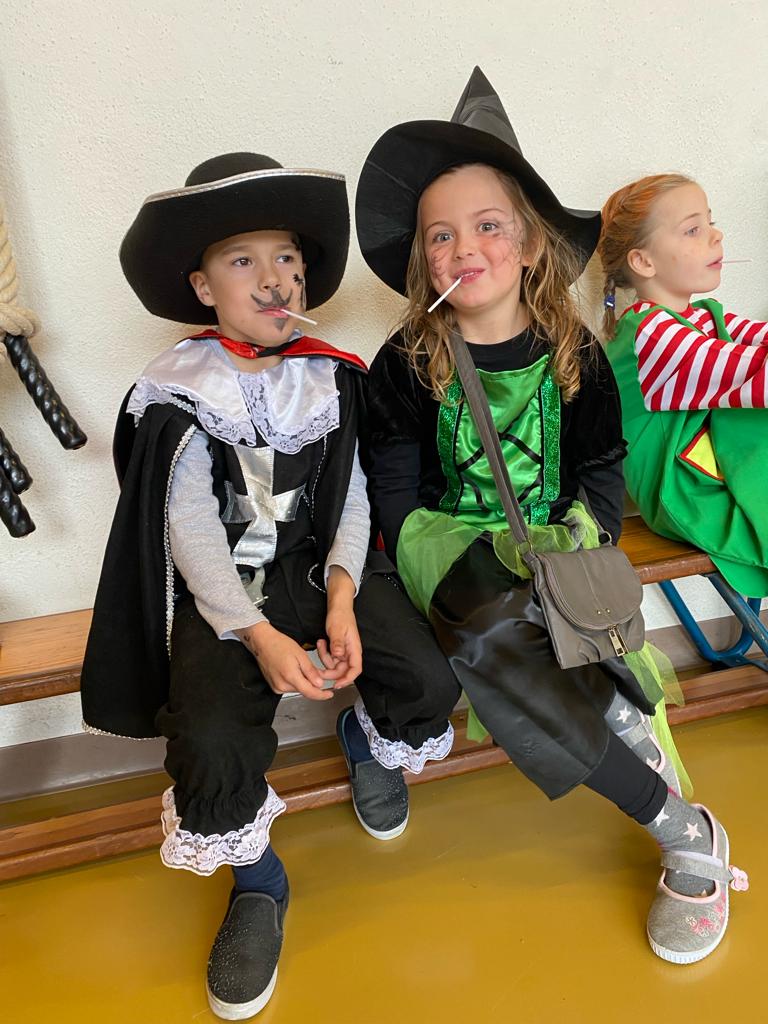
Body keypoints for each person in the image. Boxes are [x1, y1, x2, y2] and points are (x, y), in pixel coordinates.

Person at [356, 68, 748, 966]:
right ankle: (677, 825)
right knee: (495, 626)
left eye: (488, 226)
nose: (465, 248)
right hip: (444, 540)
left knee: (578, 621)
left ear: (531, 243)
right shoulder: (405, 360)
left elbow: (601, 466)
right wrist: (442, 565)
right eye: (441, 235)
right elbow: (396, 491)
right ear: (424, 261)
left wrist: (587, 538)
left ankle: (620, 718)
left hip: (553, 533)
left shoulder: (577, 353)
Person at [80, 152, 460, 1020]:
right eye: (242, 259)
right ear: (202, 286)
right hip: (229, 590)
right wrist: (256, 633)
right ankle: (257, 882)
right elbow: (188, 531)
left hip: (322, 568)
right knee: (209, 733)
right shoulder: (178, 391)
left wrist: (341, 596)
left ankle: (370, 742)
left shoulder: (332, 375)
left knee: (426, 675)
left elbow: (353, 496)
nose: (273, 276)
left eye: (286, 256)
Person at [598, 172, 768, 597]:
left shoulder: (704, 317)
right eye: (693, 229)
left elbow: (758, 340)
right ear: (643, 262)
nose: (716, 235)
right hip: (687, 493)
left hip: (716, 476)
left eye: (711, 222)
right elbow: (751, 372)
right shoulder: (651, 334)